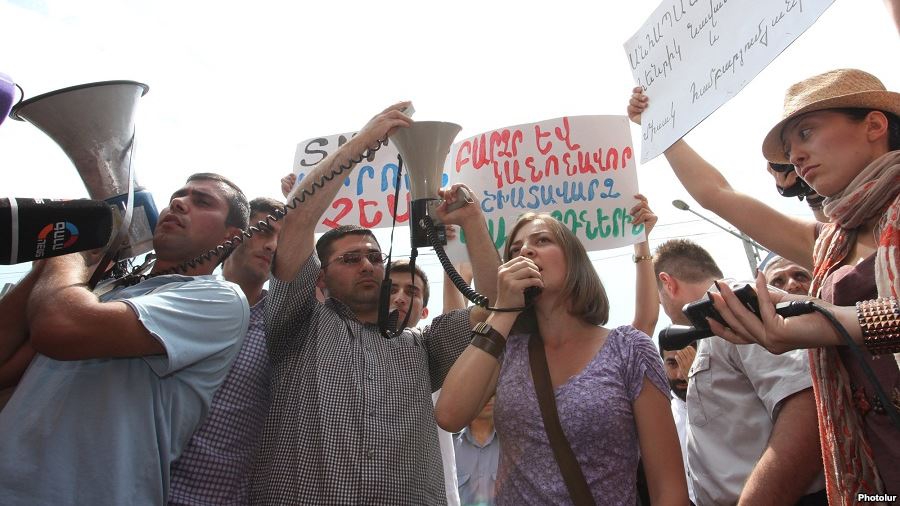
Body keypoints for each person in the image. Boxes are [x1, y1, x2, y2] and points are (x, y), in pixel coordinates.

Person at [629, 68, 900, 501]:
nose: (797, 157)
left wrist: (820, 322)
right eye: (789, 150)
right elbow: (716, 193)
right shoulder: (829, 241)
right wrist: (660, 126)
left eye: (806, 133)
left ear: (873, 125)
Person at [251, 102, 502, 505]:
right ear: (320, 277)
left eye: (373, 256)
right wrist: (363, 142)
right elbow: (298, 219)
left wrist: (473, 221)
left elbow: (496, 305)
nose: (367, 265)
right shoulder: (298, 325)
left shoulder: (421, 346)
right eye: (350, 259)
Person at [0, 173, 251, 505]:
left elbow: (61, 326)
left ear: (232, 236)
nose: (178, 203)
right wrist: (47, 266)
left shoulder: (219, 299)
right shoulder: (99, 292)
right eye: (177, 196)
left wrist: (67, 254)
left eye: (202, 201)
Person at [435, 210, 687, 505]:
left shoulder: (629, 349)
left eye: (542, 240)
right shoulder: (507, 349)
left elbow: (668, 489)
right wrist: (504, 310)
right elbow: (449, 415)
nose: (526, 251)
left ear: (574, 260)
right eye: (515, 250)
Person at [653, 239, 825, 505]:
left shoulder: (735, 304)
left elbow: (806, 408)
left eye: (659, 299)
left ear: (668, 283)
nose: (663, 308)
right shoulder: (714, 323)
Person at [169, 197, 284, 505]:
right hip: (136, 487)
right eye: (264, 231)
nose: (272, 246)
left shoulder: (282, 327)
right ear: (235, 234)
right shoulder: (179, 297)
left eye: (282, 240)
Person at [660, 344, 697, 505]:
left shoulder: (730, 403)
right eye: (673, 364)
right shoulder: (660, 418)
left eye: (688, 360)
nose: (681, 374)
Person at [454, 394, 500, 506]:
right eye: (484, 392)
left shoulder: (513, 444)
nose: (489, 398)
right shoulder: (450, 444)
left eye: (493, 392)